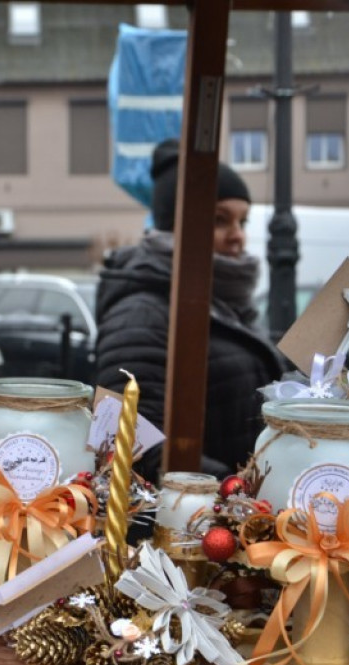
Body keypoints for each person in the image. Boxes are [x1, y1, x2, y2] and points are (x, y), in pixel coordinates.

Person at [95, 138, 285, 483]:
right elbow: (126, 438)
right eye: (220, 220)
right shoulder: (141, 313)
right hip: (193, 511)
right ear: (178, 226)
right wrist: (230, 487)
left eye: (242, 222)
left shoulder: (225, 302)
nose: (238, 236)